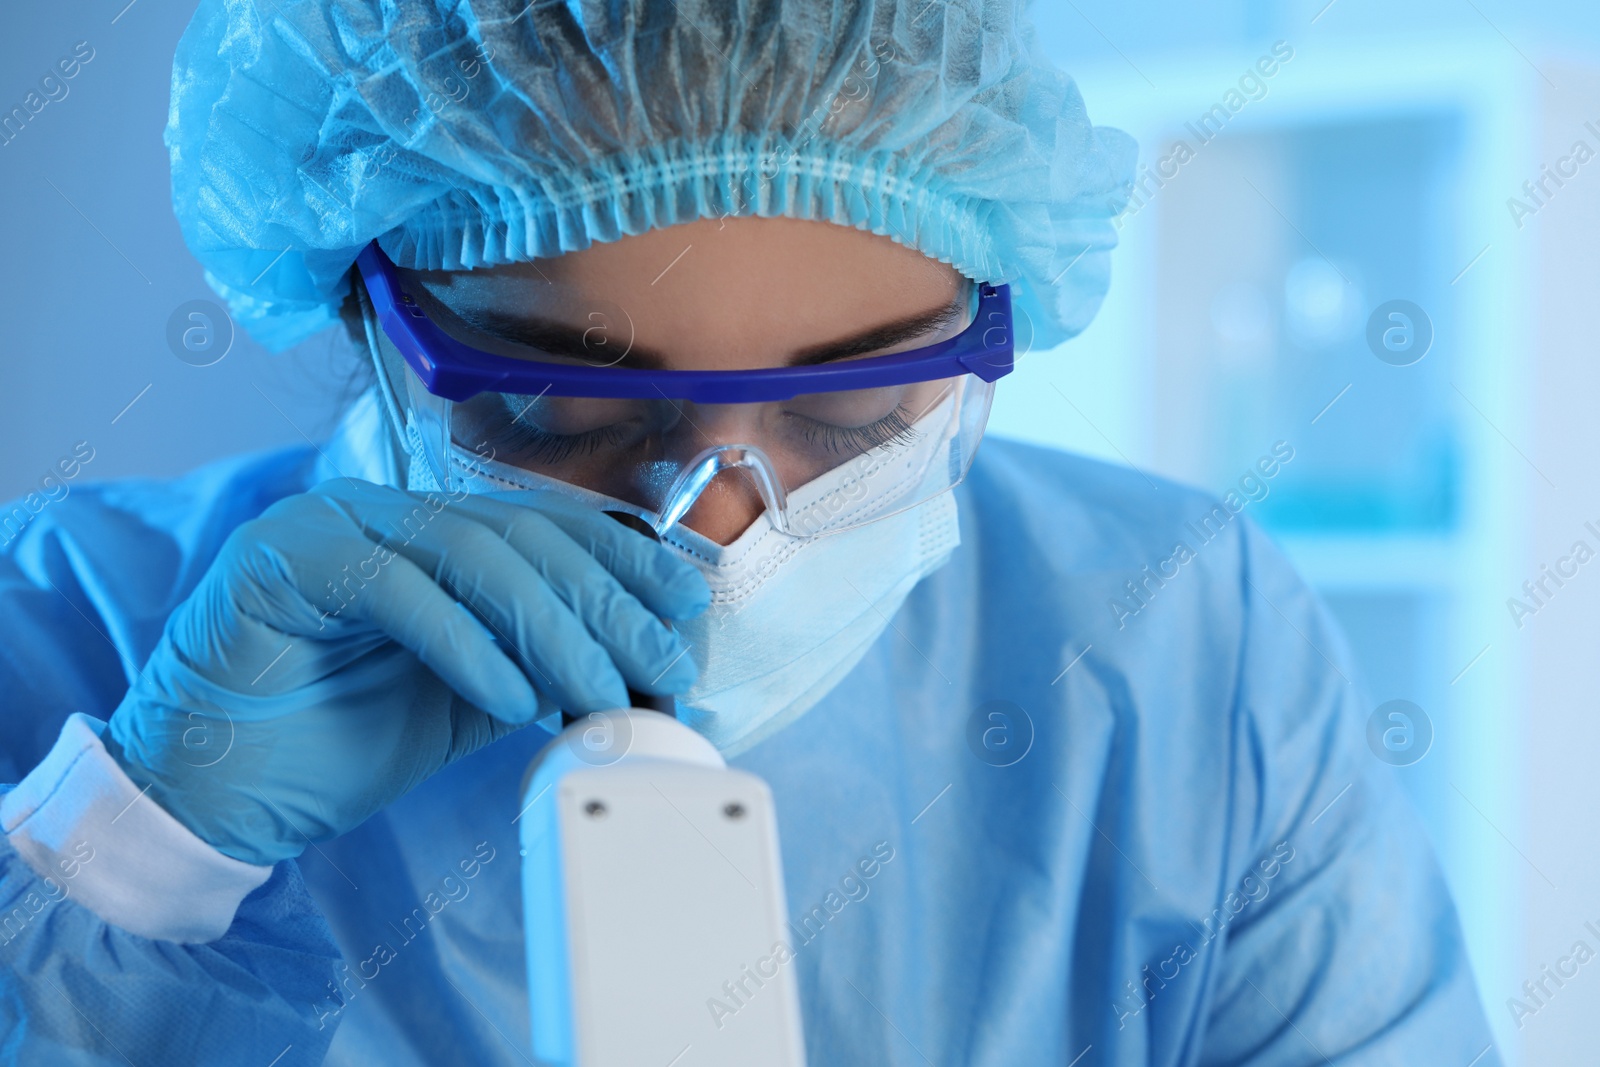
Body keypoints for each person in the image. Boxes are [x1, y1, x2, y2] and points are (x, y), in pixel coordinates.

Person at [0, 0, 1499, 1063]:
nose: (721, 533)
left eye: (852, 417)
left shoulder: (1178, 635)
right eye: (560, 406)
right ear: (366, 311)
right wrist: (128, 857)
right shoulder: (60, 627)